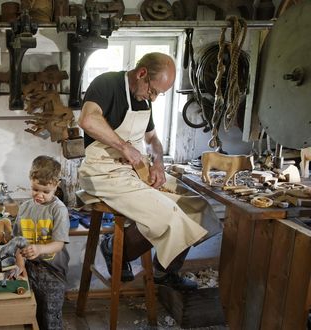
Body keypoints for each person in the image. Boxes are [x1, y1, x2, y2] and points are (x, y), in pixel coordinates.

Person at [78, 53, 221, 290]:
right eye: (153, 91)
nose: (153, 98)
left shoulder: (144, 100)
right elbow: (88, 120)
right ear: (142, 73)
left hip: (136, 168)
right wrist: (124, 147)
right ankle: (115, 248)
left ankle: (164, 272)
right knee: (170, 217)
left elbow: (152, 139)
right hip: (103, 171)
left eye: (158, 95)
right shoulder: (107, 83)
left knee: (198, 207)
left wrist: (158, 162)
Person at [14, 155, 70, 330]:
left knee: (50, 315)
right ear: (31, 181)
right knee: (30, 312)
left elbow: (59, 244)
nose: (39, 195)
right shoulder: (24, 208)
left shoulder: (58, 210)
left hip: (52, 271)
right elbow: (18, 242)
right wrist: (20, 265)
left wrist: (39, 249)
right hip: (29, 268)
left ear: (56, 185)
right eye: (35, 189)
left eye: (45, 192)